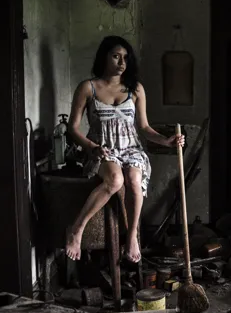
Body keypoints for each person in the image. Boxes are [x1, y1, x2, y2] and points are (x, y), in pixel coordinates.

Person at [65, 35, 184, 263]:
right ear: (104, 57)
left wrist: (167, 141)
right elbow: (73, 129)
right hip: (102, 149)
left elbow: (145, 128)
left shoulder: (135, 88)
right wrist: (92, 147)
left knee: (133, 176)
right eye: (116, 56)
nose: (122, 63)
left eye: (126, 58)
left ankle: (132, 237)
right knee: (115, 180)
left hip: (131, 148)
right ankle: (77, 229)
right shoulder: (88, 87)